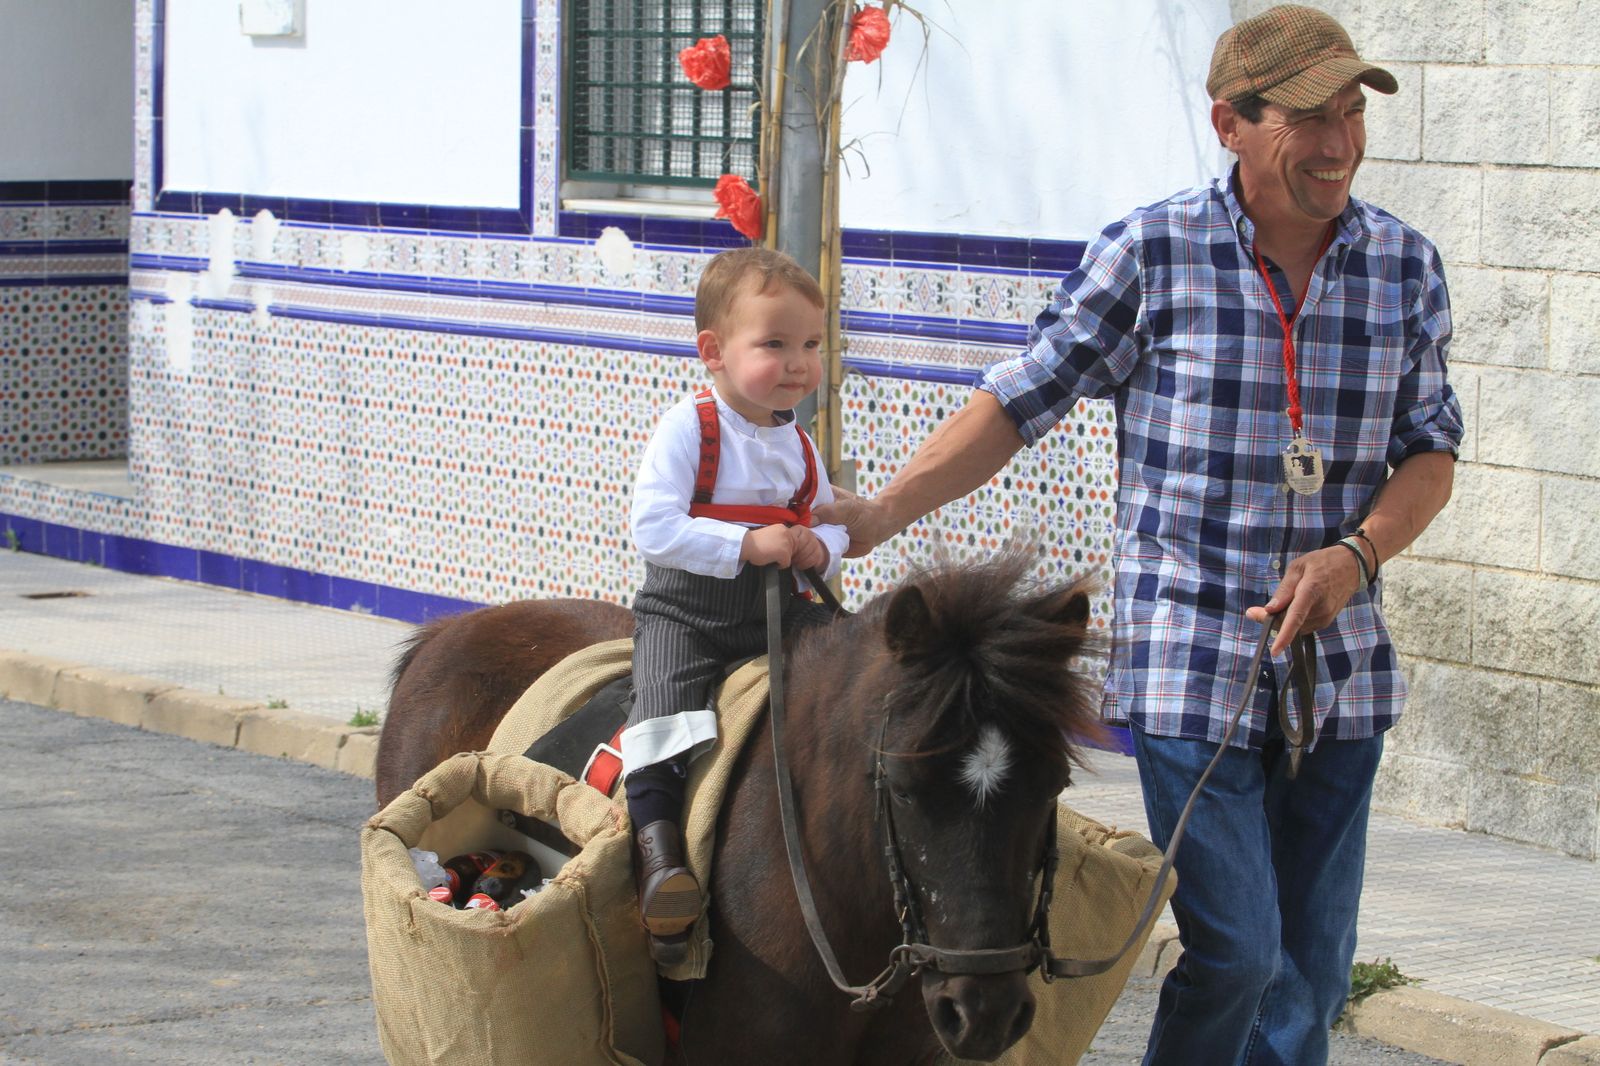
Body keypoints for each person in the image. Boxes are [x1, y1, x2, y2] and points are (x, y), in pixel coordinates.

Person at [815, 6, 1462, 1063]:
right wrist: (885, 510)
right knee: (1240, 952)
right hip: (1189, 659)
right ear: (1231, 125)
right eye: (1308, 118)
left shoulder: (1403, 264)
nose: (1339, 142)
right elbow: (1021, 399)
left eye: (1351, 112)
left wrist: (1357, 554)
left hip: (1339, 666)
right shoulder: (1151, 253)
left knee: (1312, 971)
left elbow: (1431, 451)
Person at [624, 246, 849, 965]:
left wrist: (819, 547)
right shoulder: (689, 428)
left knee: (860, 668)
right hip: (687, 614)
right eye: (774, 344)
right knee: (661, 715)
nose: (798, 364)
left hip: (779, 609)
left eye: (810, 345)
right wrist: (747, 543)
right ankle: (660, 858)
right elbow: (653, 528)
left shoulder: (799, 443)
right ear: (714, 352)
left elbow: (832, 522)